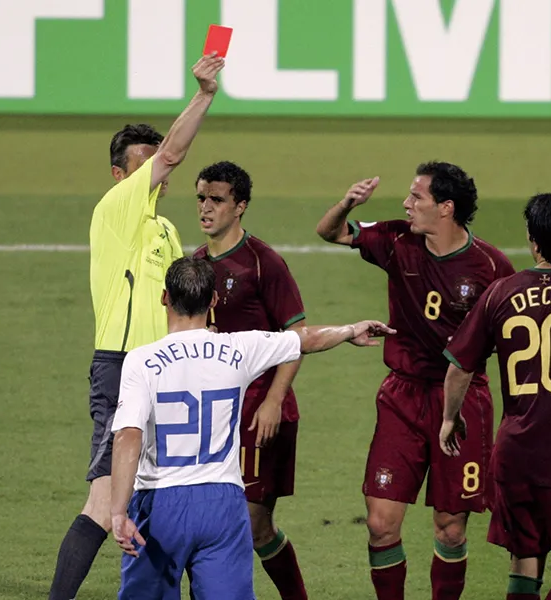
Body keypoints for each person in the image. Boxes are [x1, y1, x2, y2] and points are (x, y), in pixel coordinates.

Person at [48, 52, 226, 600]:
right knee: (104, 504)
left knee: (172, 496)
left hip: (171, 368)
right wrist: (204, 95)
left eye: (155, 164)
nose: (159, 174)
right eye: (145, 165)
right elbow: (173, 153)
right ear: (119, 175)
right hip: (123, 369)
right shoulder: (116, 209)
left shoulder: (165, 229)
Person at [110, 257, 394, 599]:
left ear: (164, 297)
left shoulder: (141, 361)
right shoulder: (239, 348)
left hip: (160, 503)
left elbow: (128, 435)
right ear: (214, 300)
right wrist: (350, 330)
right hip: (222, 504)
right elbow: (303, 339)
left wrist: (118, 511)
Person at [315, 163, 515, 599]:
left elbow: (510, 348)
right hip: (402, 396)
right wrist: (348, 203)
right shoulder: (396, 240)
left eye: (416, 197)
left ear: (446, 207)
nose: (406, 204)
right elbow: (330, 232)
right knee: (380, 525)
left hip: (462, 401)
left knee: (450, 529)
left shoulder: (491, 267)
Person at [441, 191, 551, 600]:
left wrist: (450, 417)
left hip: (515, 455)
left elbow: (458, 368)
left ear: (533, 239)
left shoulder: (499, 292)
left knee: (525, 559)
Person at [192, 161, 309, 598]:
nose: (205, 207)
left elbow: (297, 336)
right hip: (213, 410)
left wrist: (275, 400)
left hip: (259, 408)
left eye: (216, 199)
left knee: (254, 525)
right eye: (201, 198)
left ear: (239, 206)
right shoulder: (196, 264)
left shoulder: (263, 263)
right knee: (210, 522)